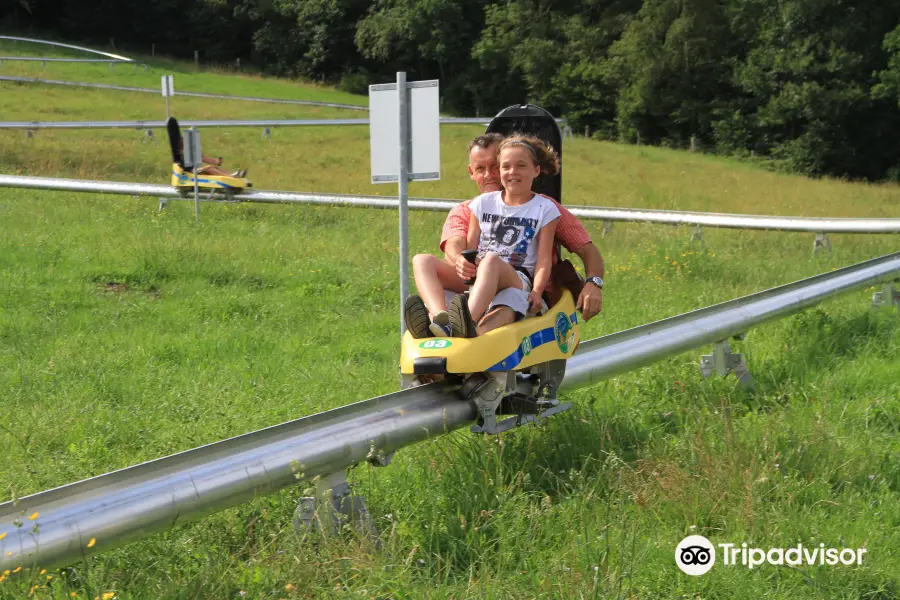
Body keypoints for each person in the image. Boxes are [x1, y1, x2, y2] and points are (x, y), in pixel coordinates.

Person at [404, 132, 605, 338]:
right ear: (471, 172)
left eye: (494, 165)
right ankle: (441, 319)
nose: (490, 175)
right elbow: (455, 246)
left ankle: (466, 324)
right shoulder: (471, 208)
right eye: (481, 169)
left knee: (504, 294)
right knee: (422, 261)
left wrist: (593, 284)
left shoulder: (545, 207)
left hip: (520, 286)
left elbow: (586, 249)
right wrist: (462, 261)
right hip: (477, 277)